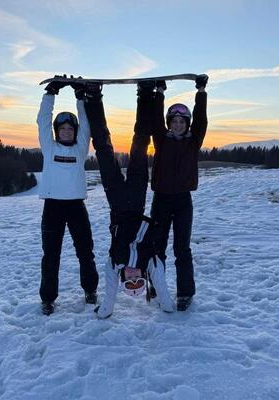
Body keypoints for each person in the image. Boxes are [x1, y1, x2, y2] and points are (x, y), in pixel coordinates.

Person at [82, 81, 175, 319]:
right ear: (144, 277)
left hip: (116, 200)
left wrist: (104, 313)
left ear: (123, 278)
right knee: (139, 144)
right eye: (138, 281)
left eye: (129, 281)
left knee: (103, 148)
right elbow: (164, 295)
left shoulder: (115, 264)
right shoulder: (150, 263)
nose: (133, 277)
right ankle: (145, 95)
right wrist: (166, 305)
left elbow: (108, 300)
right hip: (136, 197)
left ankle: (94, 98)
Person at [36, 76, 99, 316]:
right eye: (62, 129)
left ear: (75, 132)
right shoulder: (49, 147)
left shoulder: (80, 148)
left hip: (76, 207)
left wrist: (80, 97)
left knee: (85, 251)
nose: (65, 132)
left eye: (70, 129)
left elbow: (86, 123)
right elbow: (43, 121)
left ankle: (90, 290)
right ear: (56, 131)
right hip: (52, 208)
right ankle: (48, 299)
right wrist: (50, 93)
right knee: (51, 255)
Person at [150, 74, 208, 311]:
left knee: (182, 248)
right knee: (157, 247)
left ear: (187, 123)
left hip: (183, 200)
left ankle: (185, 293)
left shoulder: (193, 142)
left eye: (182, 121)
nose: (177, 125)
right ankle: (157, 286)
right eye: (173, 121)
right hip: (161, 200)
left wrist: (201, 91)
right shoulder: (160, 140)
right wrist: (159, 93)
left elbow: (202, 119)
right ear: (168, 123)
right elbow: (155, 119)